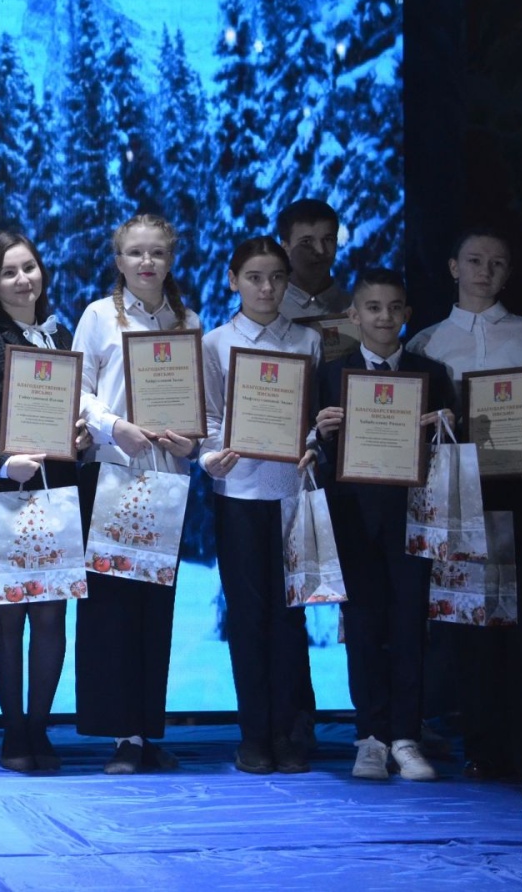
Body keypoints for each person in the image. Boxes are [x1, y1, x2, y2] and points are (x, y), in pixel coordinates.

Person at [406, 227, 522, 798]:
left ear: (509, 273)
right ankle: (484, 749)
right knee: (469, 625)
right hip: (457, 496)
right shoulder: (426, 345)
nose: (485, 271)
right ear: (453, 267)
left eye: (498, 263)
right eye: (475, 260)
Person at [0, 232, 88, 772]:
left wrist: (79, 437)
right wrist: (3, 463)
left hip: (57, 494)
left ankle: (39, 729)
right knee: (9, 617)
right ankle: (12, 732)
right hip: (3, 497)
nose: (23, 279)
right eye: (9, 272)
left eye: (29, 267)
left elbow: (74, 412)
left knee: (52, 617)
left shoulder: (61, 335)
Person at [71, 215, 202, 774]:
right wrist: (113, 426)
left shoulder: (186, 321)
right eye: (135, 253)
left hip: (167, 476)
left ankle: (147, 731)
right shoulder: (99, 315)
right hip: (112, 472)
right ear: (118, 260)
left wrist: (193, 440)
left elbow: (198, 402)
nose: (146, 262)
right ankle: (121, 735)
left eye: (157, 253)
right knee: (112, 611)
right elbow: (77, 390)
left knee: (156, 610)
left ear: (171, 259)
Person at [311, 269, 453, 781]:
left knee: (410, 627)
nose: (384, 317)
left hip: (413, 518)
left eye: (394, 307)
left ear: (407, 314)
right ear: (353, 316)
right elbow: (309, 447)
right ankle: (369, 737)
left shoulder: (430, 374)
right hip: (353, 518)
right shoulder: (331, 374)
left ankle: (407, 736)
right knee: (364, 628)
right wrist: (320, 432)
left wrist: (443, 426)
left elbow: (452, 450)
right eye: (373, 308)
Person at [199, 237, 321, 775]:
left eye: (276, 277)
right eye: (254, 277)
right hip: (239, 493)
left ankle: (288, 733)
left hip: (292, 493)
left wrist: (313, 443)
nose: (267, 288)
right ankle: (254, 735)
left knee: (290, 616)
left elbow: (315, 416)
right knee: (248, 616)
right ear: (233, 281)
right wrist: (210, 458)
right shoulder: (215, 342)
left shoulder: (308, 341)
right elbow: (207, 416)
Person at [277, 198, 351, 320]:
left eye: (328, 240)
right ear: (286, 249)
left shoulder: (357, 311)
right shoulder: (267, 314)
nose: (320, 250)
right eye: (306, 242)